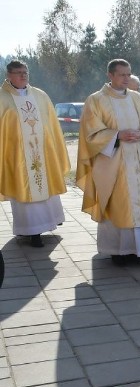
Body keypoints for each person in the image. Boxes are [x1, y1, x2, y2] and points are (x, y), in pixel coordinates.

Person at [77, 59, 140, 266]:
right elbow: (90, 133)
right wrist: (117, 136)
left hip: (139, 161)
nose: (127, 78)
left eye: (128, 74)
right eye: (122, 74)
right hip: (113, 163)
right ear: (110, 75)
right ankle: (119, 251)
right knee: (119, 202)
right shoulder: (96, 100)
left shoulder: (138, 99)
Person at [0, 60, 70, 247]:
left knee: (46, 188)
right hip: (17, 155)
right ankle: (32, 232)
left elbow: (51, 124)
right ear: (8, 75)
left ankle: (51, 221)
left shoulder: (40, 95)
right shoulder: (2, 98)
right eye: (18, 72)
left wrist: (52, 147)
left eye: (26, 72)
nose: (23, 75)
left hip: (42, 150)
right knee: (25, 191)